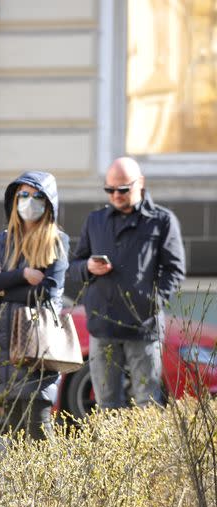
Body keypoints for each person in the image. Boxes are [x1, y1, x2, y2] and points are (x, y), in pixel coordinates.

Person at [69, 157, 185, 409]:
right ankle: (111, 450)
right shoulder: (96, 220)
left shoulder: (161, 220)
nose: (116, 195)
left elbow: (174, 271)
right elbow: (74, 266)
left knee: (148, 402)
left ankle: (150, 451)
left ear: (140, 183)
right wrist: (88, 267)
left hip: (142, 327)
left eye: (123, 189)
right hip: (103, 324)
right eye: (110, 189)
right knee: (106, 403)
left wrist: (151, 304)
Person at [0, 171, 69, 440]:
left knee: (39, 429)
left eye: (37, 196)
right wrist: (22, 276)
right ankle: (25, 485)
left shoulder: (57, 241)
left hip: (37, 346)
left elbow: (49, 291)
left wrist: (4, 286)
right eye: (24, 195)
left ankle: (53, 485)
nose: (30, 201)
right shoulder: (3, 239)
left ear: (48, 202)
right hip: (5, 347)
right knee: (14, 435)